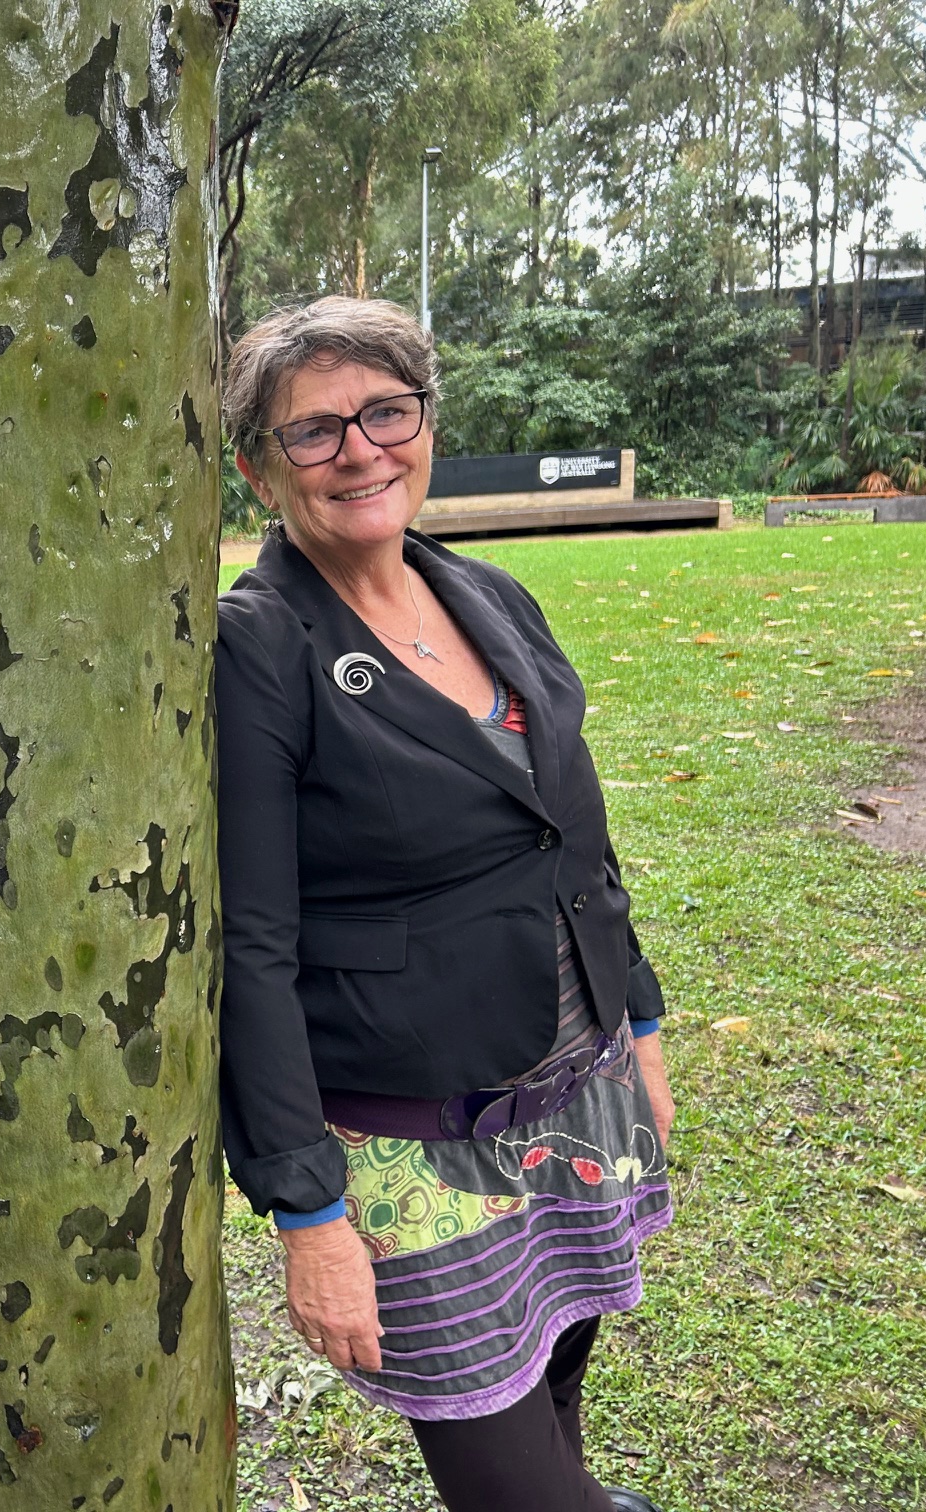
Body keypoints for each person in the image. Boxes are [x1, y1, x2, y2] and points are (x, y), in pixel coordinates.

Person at [215, 297, 676, 1512]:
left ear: (425, 424)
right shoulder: (255, 648)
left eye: (386, 412)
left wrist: (640, 1029)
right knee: (504, 1466)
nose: (360, 450)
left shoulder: (490, 594)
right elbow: (249, 947)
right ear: (261, 470)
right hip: (411, 1132)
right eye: (313, 433)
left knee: (561, 1341)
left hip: (576, 1074)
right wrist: (307, 1211)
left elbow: (580, 831)